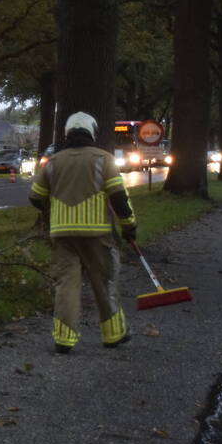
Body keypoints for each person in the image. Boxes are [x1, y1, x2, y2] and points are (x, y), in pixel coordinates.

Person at [28, 112, 136, 354]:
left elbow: (35, 196)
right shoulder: (104, 159)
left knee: (66, 284)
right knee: (103, 282)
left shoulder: (53, 162)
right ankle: (113, 336)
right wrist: (129, 226)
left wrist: (52, 209)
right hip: (97, 233)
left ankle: (64, 339)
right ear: (92, 132)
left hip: (62, 234)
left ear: (67, 133)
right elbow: (119, 198)